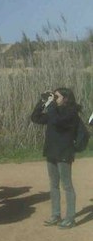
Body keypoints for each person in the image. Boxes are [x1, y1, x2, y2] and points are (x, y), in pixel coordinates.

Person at [31, 88, 82, 229]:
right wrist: (42, 102)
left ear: (66, 98)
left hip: (64, 153)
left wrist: (51, 105)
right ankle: (56, 214)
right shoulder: (55, 112)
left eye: (57, 97)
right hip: (52, 152)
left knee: (67, 185)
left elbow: (58, 121)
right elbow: (35, 118)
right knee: (53, 185)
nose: (54, 99)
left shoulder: (71, 113)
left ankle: (70, 218)